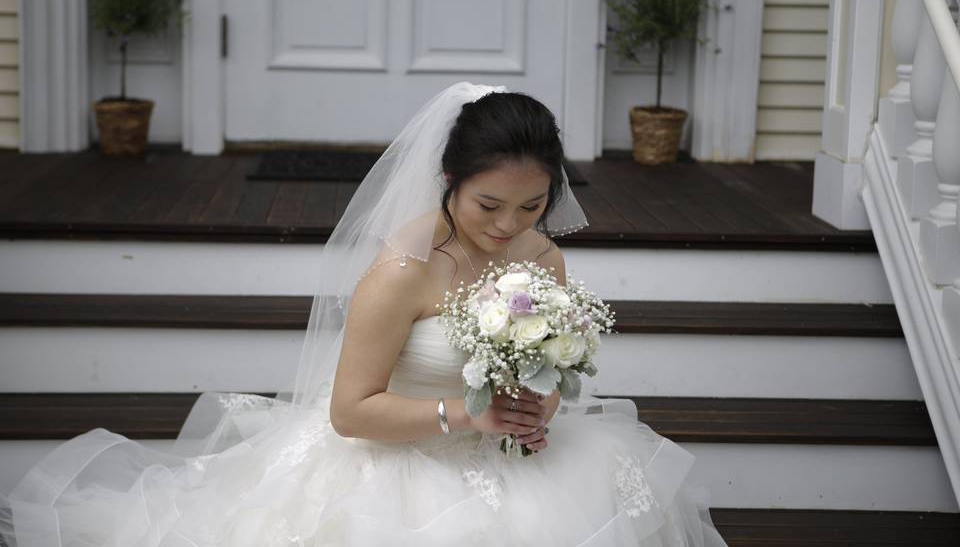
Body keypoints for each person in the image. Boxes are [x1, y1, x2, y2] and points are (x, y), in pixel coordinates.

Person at [0, 81, 729, 546]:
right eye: (488, 205)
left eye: (532, 205)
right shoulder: (403, 272)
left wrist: (534, 406)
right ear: (449, 181)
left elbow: (539, 363)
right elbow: (350, 412)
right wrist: (468, 415)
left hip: (508, 457)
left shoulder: (543, 257)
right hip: (396, 465)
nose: (510, 226)